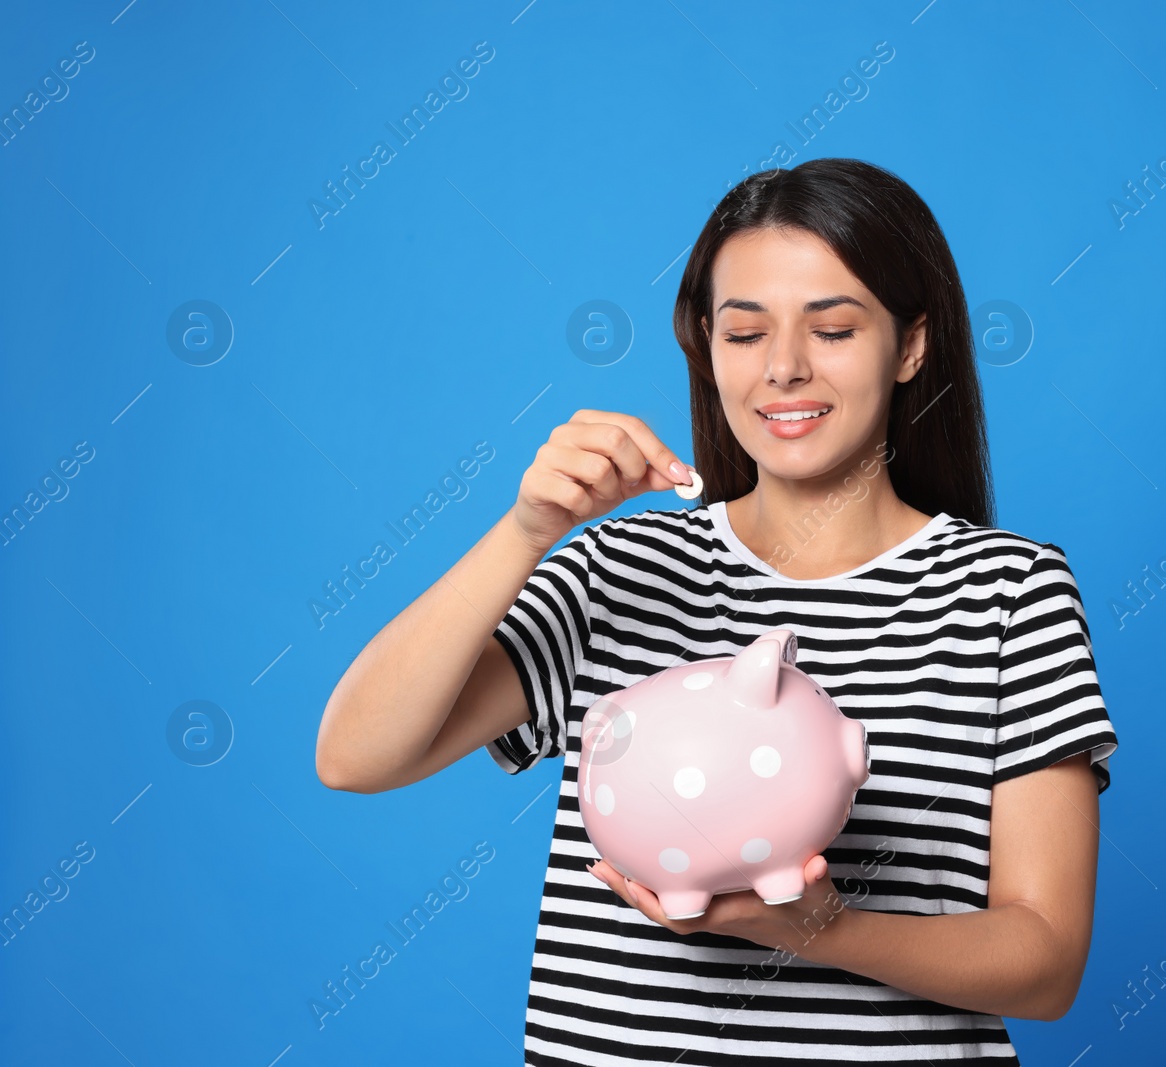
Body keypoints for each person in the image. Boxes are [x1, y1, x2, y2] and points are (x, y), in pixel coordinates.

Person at [316, 157, 1118, 1065]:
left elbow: (1046, 960)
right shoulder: (616, 569)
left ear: (911, 345)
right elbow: (355, 755)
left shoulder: (1009, 591)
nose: (784, 368)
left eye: (834, 328)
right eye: (744, 334)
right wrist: (524, 531)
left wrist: (820, 928)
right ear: (705, 347)